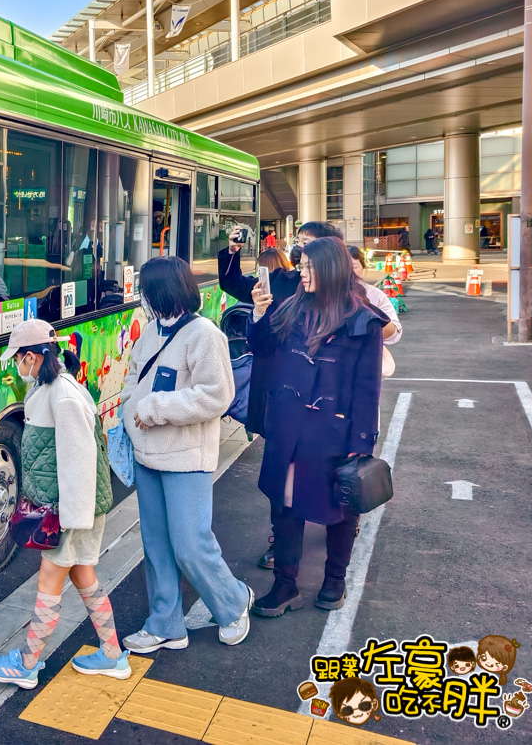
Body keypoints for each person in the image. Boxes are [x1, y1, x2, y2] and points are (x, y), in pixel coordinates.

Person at [0, 320, 129, 688]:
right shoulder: (50, 390)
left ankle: (27, 664)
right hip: (72, 511)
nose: (16, 365)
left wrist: (69, 522)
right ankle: (112, 655)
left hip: (71, 513)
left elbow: (79, 462)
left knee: (49, 579)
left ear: (31, 357)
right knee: (83, 577)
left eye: (17, 358)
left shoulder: (61, 397)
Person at [118, 257, 252, 654]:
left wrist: (154, 409)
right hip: (147, 457)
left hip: (186, 459)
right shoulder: (150, 334)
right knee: (156, 545)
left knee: (191, 544)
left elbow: (217, 395)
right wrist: (131, 411)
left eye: (147, 290)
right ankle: (165, 624)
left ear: (162, 290)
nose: (143, 298)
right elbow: (131, 381)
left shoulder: (204, 335)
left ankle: (232, 603)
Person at [247, 237, 385, 618]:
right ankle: (285, 585)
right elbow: (260, 348)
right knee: (285, 503)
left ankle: (334, 581)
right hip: (288, 428)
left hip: (334, 434)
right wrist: (258, 314)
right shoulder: (291, 306)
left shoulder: (362, 319)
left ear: (330, 268)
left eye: (308, 267)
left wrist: (361, 441)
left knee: (341, 507)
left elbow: (367, 387)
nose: (301, 274)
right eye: (300, 266)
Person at [218, 220, 344, 569]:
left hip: (326, 404)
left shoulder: (351, 299)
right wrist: (233, 252)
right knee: (280, 473)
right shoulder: (283, 282)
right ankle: (282, 544)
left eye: (308, 245)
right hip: (278, 393)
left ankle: (340, 535)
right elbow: (233, 283)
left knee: (326, 471)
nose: (299, 252)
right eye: (298, 244)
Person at [348, 246, 401, 344]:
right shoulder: (325, 294)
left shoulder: (375, 294)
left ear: (363, 267)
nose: (349, 272)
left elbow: (395, 331)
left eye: (354, 267)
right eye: (343, 267)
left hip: (367, 354)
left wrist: (370, 324)